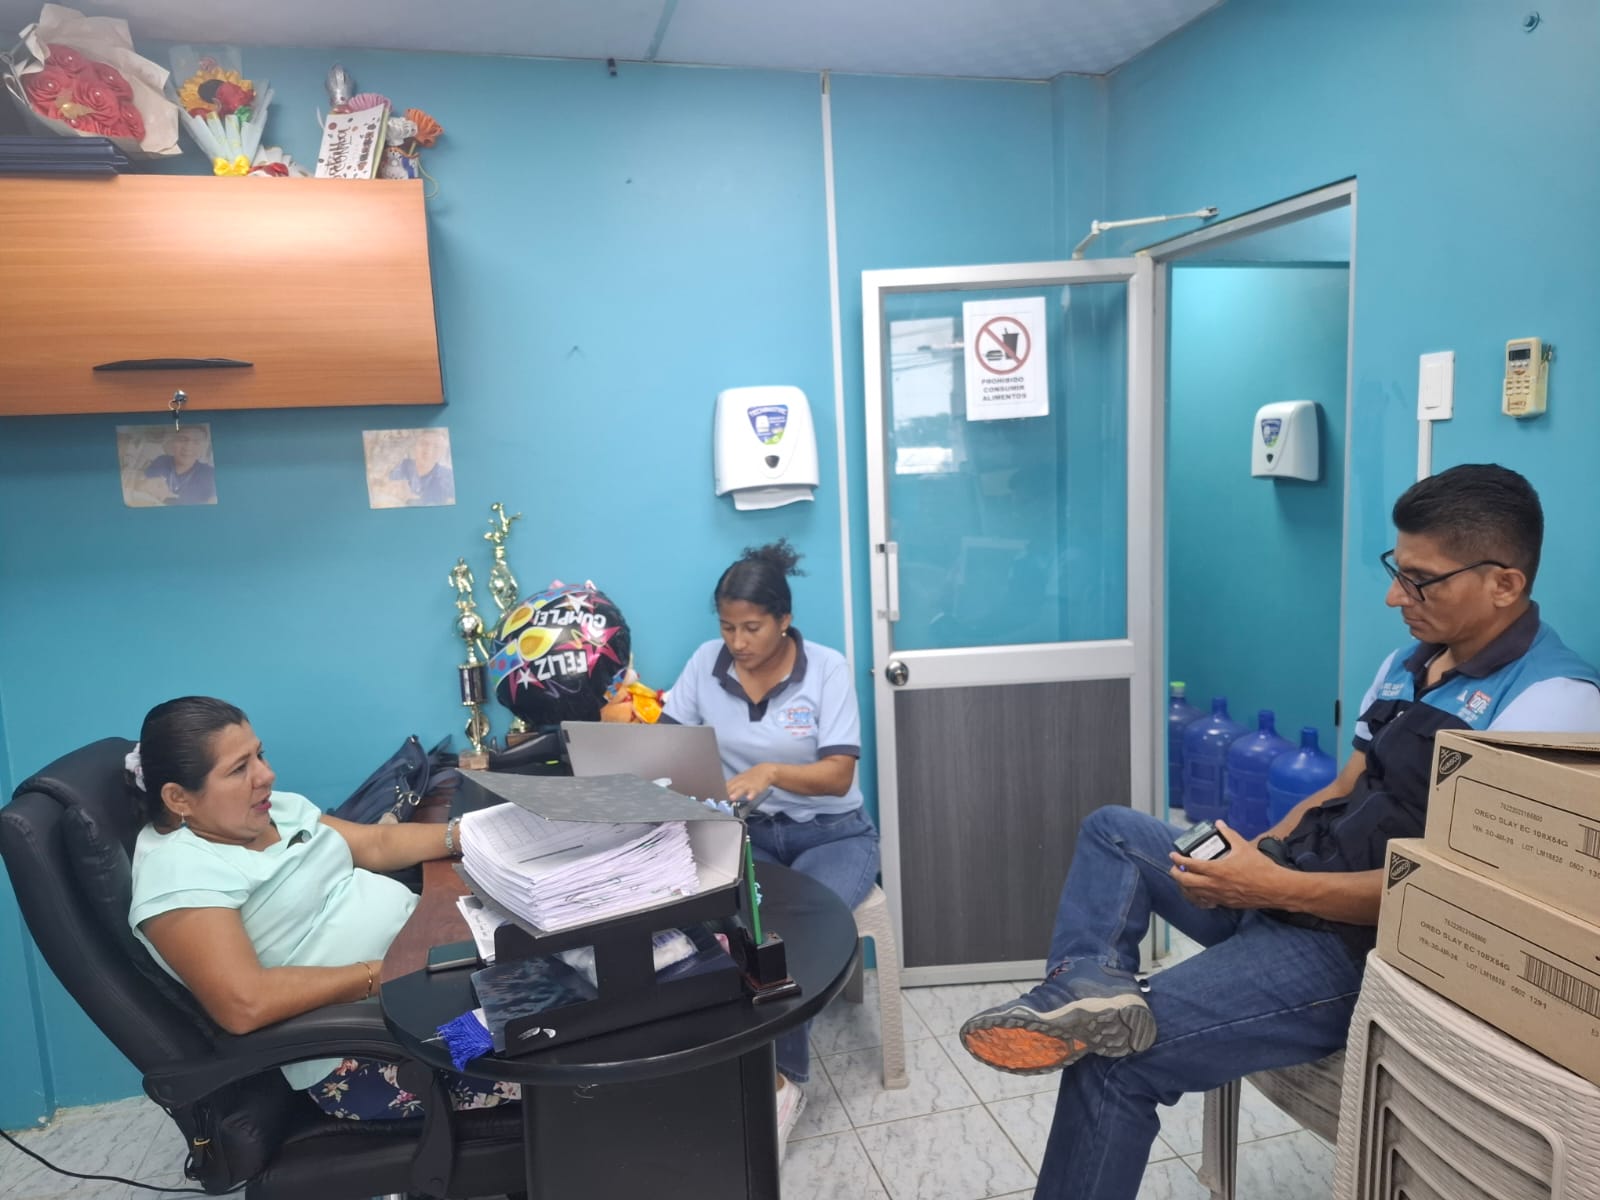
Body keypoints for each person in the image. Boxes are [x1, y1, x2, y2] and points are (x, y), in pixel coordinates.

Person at [957, 464, 1600, 1200]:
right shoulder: (1410, 664)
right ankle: (1088, 985)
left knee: (1113, 1061)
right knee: (1114, 833)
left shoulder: (1551, 706)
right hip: (1287, 886)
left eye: (1421, 581)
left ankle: (1094, 1010)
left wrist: (1274, 886)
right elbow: (1340, 788)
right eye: (1397, 572)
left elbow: (1459, 900)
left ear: (1504, 584)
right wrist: (1257, 855)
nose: (1396, 597)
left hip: (1349, 948)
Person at [126, 696, 517, 1120]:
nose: (266, 775)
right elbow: (244, 1004)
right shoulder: (177, 873)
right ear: (178, 798)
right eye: (239, 769)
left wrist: (474, 833)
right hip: (374, 1048)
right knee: (542, 1050)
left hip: (424, 987)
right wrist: (382, 974)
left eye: (259, 755)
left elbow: (375, 843)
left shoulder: (269, 810)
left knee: (556, 989)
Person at [658, 539, 880, 1153]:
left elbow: (838, 776)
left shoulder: (827, 669)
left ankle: (784, 1083)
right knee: (726, 923)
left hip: (833, 835)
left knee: (787, 933)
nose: (737, 641)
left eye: (751, 627)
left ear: (784, 620)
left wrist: (774, 772)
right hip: (748, 833)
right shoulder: (706, 664)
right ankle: (729, 1064)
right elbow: (666, 745)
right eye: (727, 627)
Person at [143, 426, 216, 505]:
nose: (188, 447)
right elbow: (142, 487)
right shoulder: (161, 461)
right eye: (182, 440)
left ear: (203, 447)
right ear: (173, 443)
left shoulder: (210, 474)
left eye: (196, 442)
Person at [389, 427, 454, 505]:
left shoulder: (448, 476)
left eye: (436, 446)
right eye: (424, 444)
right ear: (415, 446)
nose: (428, 451)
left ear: (442, 451)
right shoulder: (402, 465)